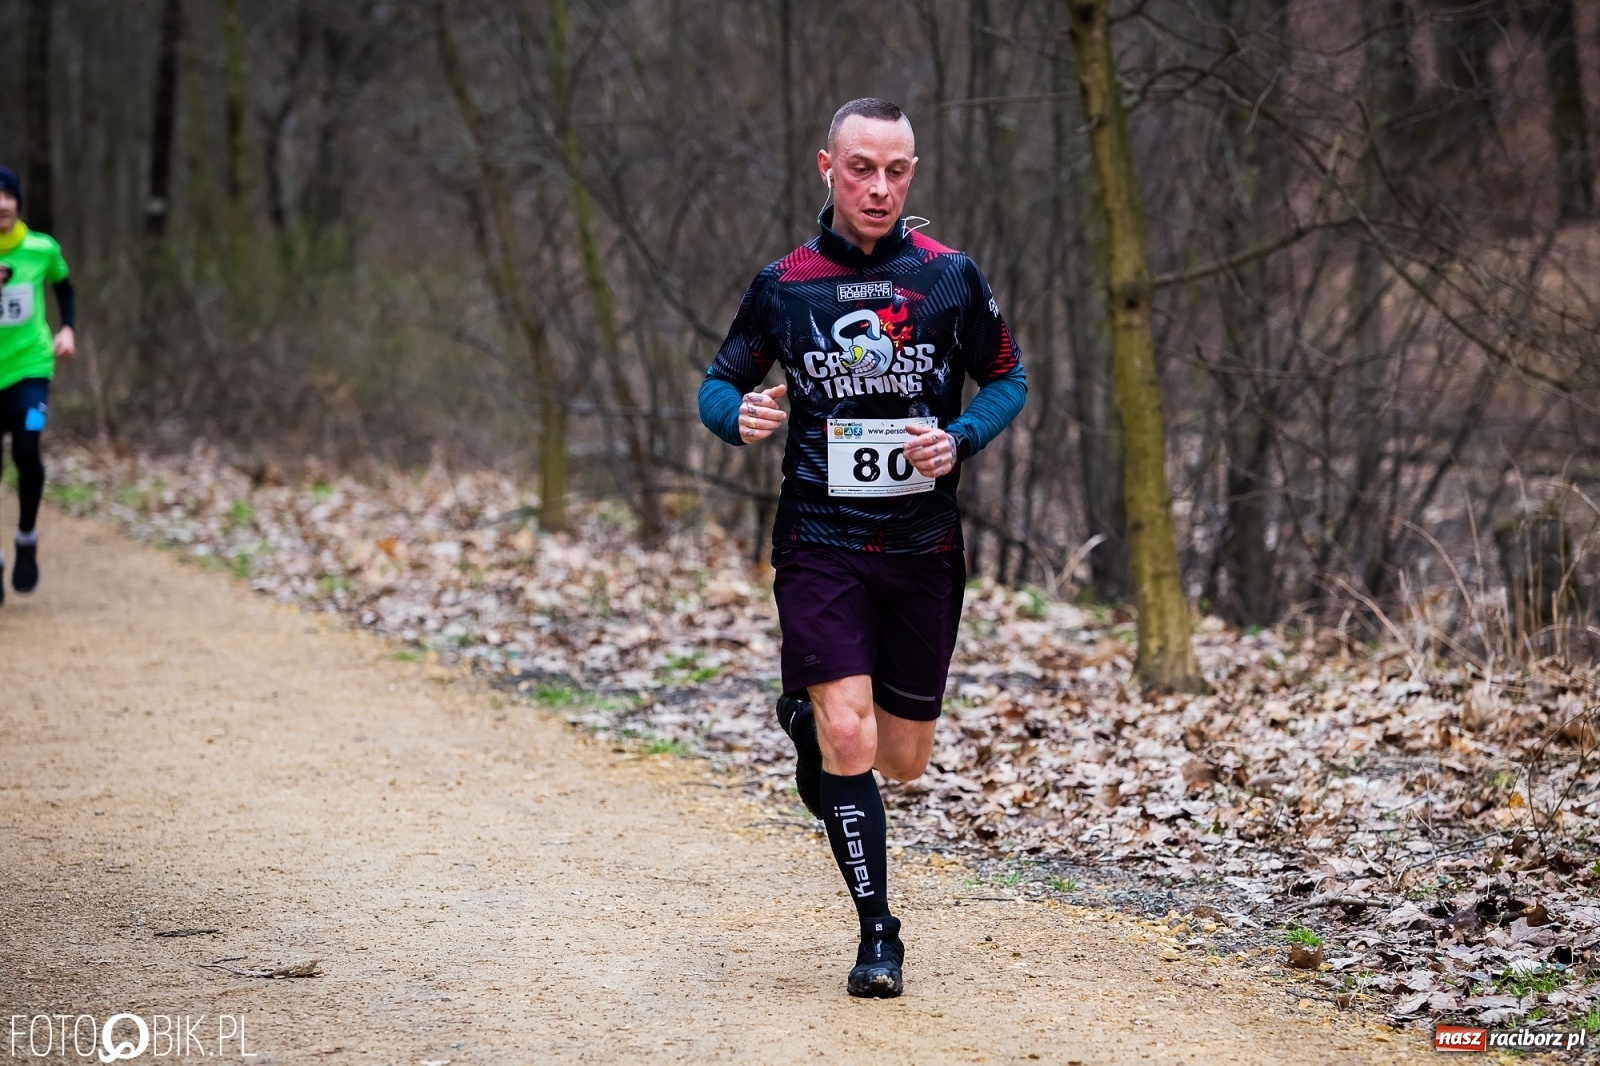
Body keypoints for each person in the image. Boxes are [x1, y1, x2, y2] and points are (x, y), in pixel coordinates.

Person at [698, 98, 1027, 998]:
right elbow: (719, 383)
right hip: (820, 537)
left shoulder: (950, 278)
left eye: (896, 171)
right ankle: (878, 932)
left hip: (922, 545)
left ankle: (811, 727)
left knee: (901, 758)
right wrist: (743, 416)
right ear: (827, 168)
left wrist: (960, 436)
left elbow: (1008, 376)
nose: (878, 188)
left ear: (912, 174)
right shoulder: (786, 284)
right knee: (851, 735)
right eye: (861, 169)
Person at [0, 165, 75, 603]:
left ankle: (26, 538)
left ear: (17, 203)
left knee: (27, 445)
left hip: (31, 371)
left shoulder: (40, 249)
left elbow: (65, 289)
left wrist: (67, 329)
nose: (1, 205)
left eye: (8, 196)